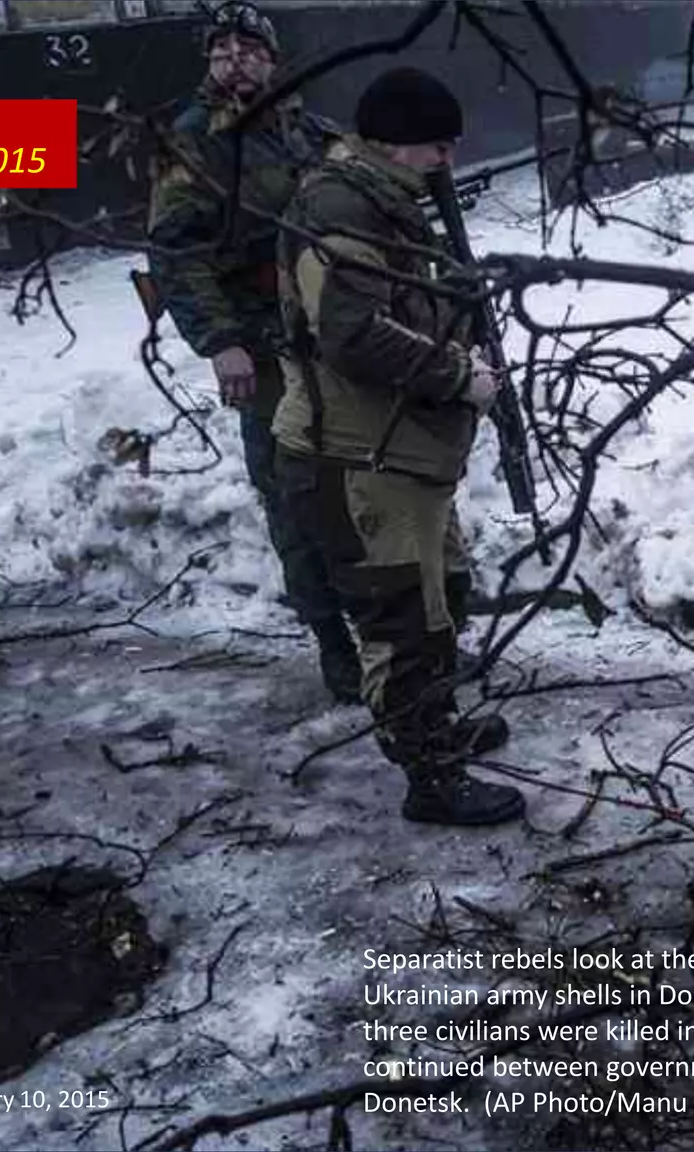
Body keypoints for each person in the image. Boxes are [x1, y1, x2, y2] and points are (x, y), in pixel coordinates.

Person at [271, 67, 524, 827]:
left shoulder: (388, 203)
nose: (446, 162)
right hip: (355, 457)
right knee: (401, 624)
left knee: (438, 599)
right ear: (392, 142)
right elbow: (352, 335)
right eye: (437, 148)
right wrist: (456, 375)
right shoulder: (341, 212)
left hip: (401, 451)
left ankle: (436, 728)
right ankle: (429, 776)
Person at [144, 0, 361, 704]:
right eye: (221, 50)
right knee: (294, 497)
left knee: (362, 483)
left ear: (273, 58)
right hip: (264, 353)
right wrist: (222, 343)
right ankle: (336, 646)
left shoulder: (312, 133)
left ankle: (391, 632)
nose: (235, 59)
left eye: (248, 47)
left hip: (334, 339)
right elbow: (177, 254)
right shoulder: (195, 141)